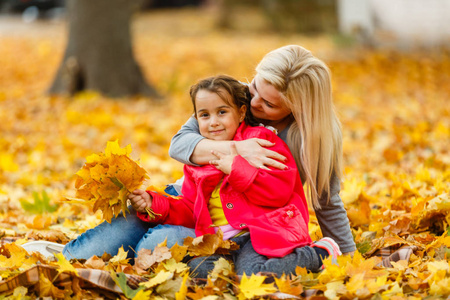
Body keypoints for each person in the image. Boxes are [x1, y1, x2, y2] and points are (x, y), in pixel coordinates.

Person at [129, 74, 337, 277]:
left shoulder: (262, 141)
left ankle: (319, 254)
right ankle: (237, 273)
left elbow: (279, 192)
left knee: (253, 274)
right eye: (204, 115)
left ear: (240, 113)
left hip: (261, 233)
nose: (213, 122)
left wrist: (237, 169)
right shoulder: (200, 159)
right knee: (199, 271)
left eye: (222, 112)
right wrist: (155, 204)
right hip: (222, 243)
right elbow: (192, 209)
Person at [169, 45, 356, 265]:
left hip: (254, 225)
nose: (254, 102)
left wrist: (349, 256)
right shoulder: (233, 97)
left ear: (298, 108)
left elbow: (326, 200)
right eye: (255, 86)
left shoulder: (313, 136)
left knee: (159, 243)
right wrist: (239, 148)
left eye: (269, 104)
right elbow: (179, 145)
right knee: (124, 234)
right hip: (193, 203)